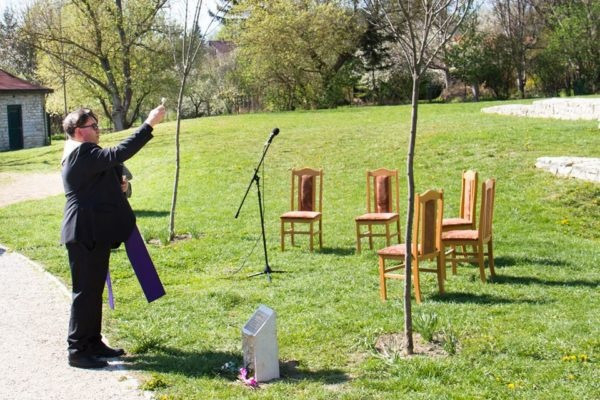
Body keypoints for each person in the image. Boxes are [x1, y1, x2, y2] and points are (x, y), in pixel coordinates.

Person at [60, 104, 165, 369]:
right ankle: (77, 350)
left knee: (93, 291)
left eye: (97, 125)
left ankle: (93, 342)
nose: (98, 130)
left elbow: (100, 181)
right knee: (85, 293)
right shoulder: (80, 152)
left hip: (94, 232)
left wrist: (122, 186)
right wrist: (149, 124)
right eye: (93, 126)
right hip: (84, 231)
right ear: (78, 131)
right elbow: (119, 153)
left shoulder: (85, 154)